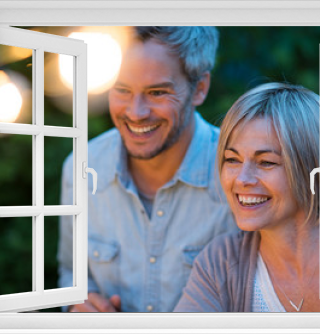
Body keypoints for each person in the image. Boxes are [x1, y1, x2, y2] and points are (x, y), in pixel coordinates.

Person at [174, 82, 320, 312]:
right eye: (232, 159)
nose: (242, 179)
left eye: (266, 162)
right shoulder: (219, 263)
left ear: (314, 169)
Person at [58, 26, 238, 312]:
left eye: (157, 92)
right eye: (121, 90)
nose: (136, 112)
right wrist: (77, 304)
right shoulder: (83, 166)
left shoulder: (240, 177)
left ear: (200, 88)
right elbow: (70, 270)